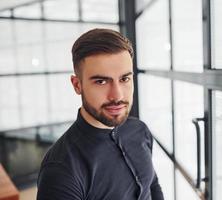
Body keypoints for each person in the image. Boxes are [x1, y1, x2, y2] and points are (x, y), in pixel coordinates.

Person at [37, 28, 164, 200]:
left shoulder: (140, 130)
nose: (117, 95)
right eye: (101, 81)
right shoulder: (61, 171)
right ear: (77, 85)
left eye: (124, 79)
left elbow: (152, 184)